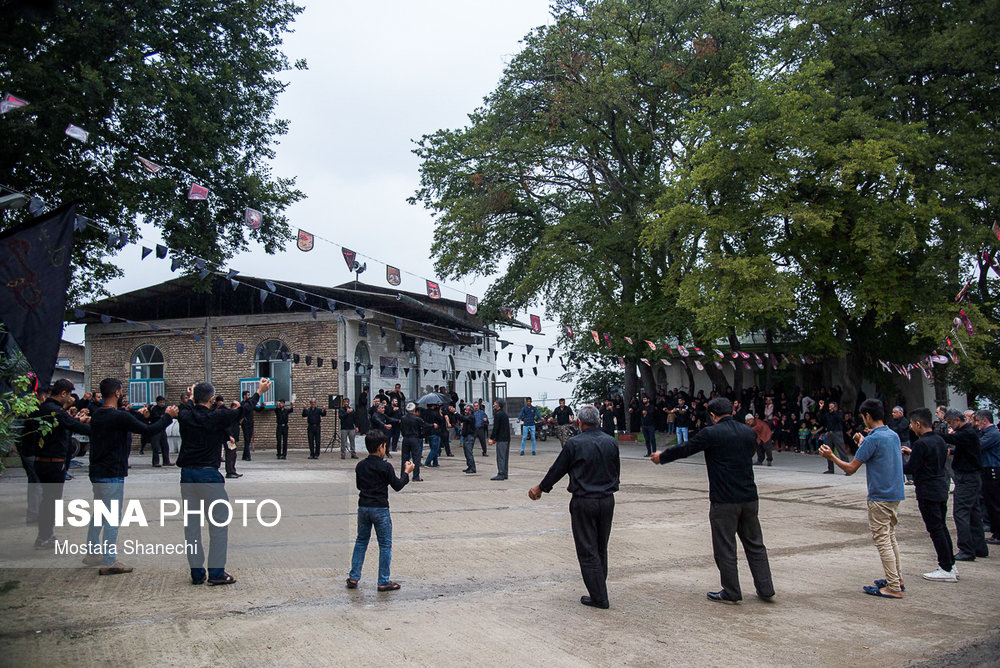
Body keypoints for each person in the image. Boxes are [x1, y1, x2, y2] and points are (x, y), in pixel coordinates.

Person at [652, 398, 774, 603]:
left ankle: (732, 591)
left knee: (725, 547)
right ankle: (766, 588)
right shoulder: (747, 432)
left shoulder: (711, 433)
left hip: (724, 498)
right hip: (749, 496)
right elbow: (751, 452)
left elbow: (687, 448)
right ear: (732, 411)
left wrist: (662, 457)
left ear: (712, 415)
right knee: (755, 544)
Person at [176, 378, 268, 585]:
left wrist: (191, 398)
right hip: (208, 475)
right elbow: (243, 410)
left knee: (191, 525)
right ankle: (216, 573)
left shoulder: (185, 415)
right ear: (211, 399)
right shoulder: (216, 417)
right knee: (218, 523)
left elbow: (187, 407)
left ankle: (197, 573)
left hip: (187, 475)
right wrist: (259, 392)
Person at [529, 404, 620, 609]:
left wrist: (541, 488)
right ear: (598, 421)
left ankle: (599, 597)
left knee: (587, 549)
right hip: (607, 500)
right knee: (600, 546)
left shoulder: (574, 444)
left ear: (579, 422)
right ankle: (599, 588)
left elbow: (558, 469)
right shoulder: (611, 442)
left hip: (584, 500)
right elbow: (616, 472)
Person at [87, 378, 176, 574]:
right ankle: (109, 561)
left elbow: (128, 420)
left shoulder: (98, 415)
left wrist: (139, 414)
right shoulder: (118, 417)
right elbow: (149, 430)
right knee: (111, 517)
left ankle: (92, 551)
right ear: (118, 393)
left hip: (97, 473)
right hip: (112, 473)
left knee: (99, 513)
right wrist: (167, 416)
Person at [819, 399, 905, 598]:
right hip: (894, 493)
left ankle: (893, 586)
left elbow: (850, 468)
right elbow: (876, 455)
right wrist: (862, 443)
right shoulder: (892, 435)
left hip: (880, 495)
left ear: (867, 416)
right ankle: (896, 578)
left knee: (882, 539)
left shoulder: (873, 439)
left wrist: (831, 456)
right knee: (890, 536)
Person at [24, 379, 91, 549]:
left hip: (39, 461)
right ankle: (44, 537)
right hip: (54, 463)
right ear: (63, 394)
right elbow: (77, 427)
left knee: (47, 499)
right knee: (51, 501)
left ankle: (45, 535)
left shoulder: (40, 410)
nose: (69, 398)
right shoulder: (57, 412)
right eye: (68, 395)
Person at [346, 429, 414, 592]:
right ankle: (383, 580)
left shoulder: (360, 465)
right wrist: (406, 473)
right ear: (380, 447)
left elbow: (358, 485)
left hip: (363, 507)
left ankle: (354, 577)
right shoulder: (385, 467)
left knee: (361, 541)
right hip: (380, 508)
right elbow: (397, 485)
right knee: (385, 545)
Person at [903, 408, 957, 581]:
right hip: (940, 485)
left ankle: (945, 567)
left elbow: (911, 468)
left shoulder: (920, 444)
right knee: (941, 527)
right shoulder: (939, 440)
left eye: (912, 424)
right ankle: (950, 564)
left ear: (918, 424)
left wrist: (897, 461)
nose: (911, 427)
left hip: (928, 489)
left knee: (935, 529)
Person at [942, 408, 988, 560]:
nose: (950, 426)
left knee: (960, 513)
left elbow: (954, 439)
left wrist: (930, 433)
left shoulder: (966, 433)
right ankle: (979, 547)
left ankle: (966, 549)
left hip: (967, 478)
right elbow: (965, 447)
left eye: (950, 422)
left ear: (957, 420)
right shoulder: (967, 433)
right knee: (974, 513)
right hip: (971, 477)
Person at [972, 410, 1000, 546]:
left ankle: (998, 534)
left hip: (992, 470)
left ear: (984, 420)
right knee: (989, 503)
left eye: (977, 421)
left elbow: (977, 446)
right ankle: (996, 532)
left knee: (994, 504)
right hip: (987, 470)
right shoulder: (987, 434)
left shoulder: (993, 434)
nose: (976, 424)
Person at [399, 403, 432, 482]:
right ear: (414, 410)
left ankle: (404, 475)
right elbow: (424, 425)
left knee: (405, 458)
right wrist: (432, 425)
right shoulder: (417, 419)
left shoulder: (403, 418)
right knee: (416, 458)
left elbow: (401, 428)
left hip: (406, 438)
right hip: (414, 438)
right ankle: (416, 476)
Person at [489, 399, 511, 480]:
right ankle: (505, 473)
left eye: (495, 403)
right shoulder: (504, 414)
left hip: (502, 439)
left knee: (501, 457)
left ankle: (501, 473)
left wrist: (492, 438)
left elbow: (496, 428)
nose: (494, 404)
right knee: (505, 457)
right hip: (506, 438)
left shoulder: (498, 414)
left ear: (498, 405)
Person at [146, 396, 171, 466]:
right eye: (160, 402)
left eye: (163, 402)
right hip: (156, 430)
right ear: (157, 402)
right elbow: (155, 417)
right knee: (156, 447)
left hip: (162, 429)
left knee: (165, 446)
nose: (162, 403)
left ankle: (166, 461)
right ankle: (155, 462)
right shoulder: (154, 409)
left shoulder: (165, 408)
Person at [224, 401, 242, 479]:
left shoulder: (234, 416)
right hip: (229, 439)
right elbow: (227, 426)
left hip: (233, 438)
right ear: (234, 407)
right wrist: (230, 436)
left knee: (233, 455)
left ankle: (233, 470)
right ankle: (230, 472)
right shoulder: (229, 415)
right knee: (230, 455)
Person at [458, 404, 477, 474]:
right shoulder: (467, 417)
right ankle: (469, 466)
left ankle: (472, 467)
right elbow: (462, 418)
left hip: (469, 436)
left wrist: (455, 413)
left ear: (470, 411)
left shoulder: (471, 417)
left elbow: (463, 418)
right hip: (466, 436)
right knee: (466, 452)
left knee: (469, 452)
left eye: (467, 409)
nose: (465, 410)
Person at [239, 390, 258, 461]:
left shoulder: (250, 404)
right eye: (248, 395)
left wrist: (262, 407)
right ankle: (248, 456)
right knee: (247, 439)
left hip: (250, 423)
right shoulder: (242, 404)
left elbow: (257, 409)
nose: (249, 397)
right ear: (244, 396)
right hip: (245, 423)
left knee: (248, 439)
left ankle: (244, 455)